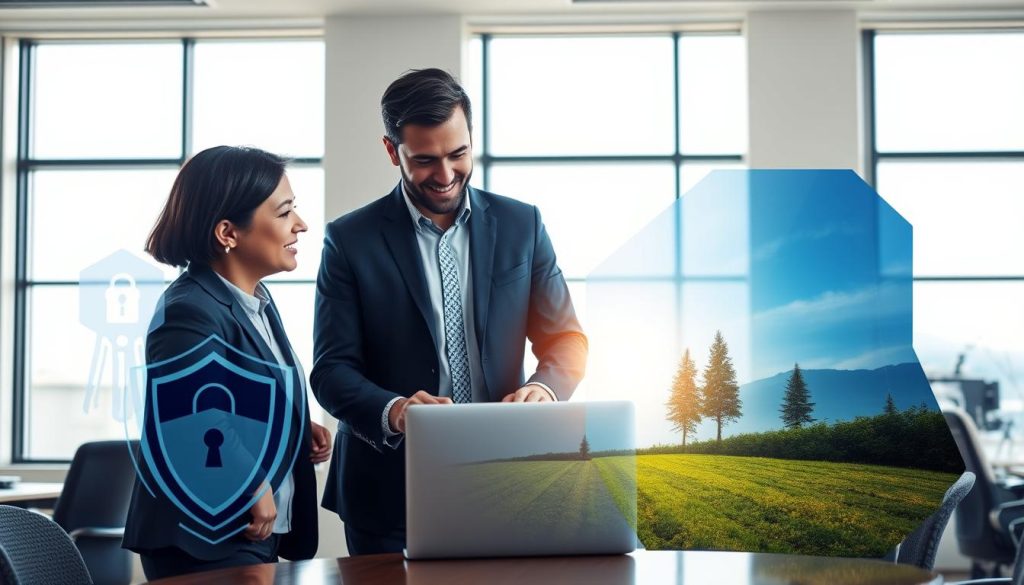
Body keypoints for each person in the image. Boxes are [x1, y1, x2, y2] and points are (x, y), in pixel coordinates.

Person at [311, 68, 588, 555]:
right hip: (388, 491)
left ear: (472, 140)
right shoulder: (349, 240)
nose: (444, 175)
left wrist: (544, 388)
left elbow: (566, 340)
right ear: (392, 151)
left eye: (458, 154)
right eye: (424, 160)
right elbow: (332, 370)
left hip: (509, 475)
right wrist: (396, 411)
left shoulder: (522, 224)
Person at [122, 145, 332, 580]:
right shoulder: (189, 308)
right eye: (284, 212)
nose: (301, 224)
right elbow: (189, 413)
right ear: (227, 233)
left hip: (248, 535)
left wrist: (293, 426)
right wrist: (251, 483)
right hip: (204, 539)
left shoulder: (257, 301)